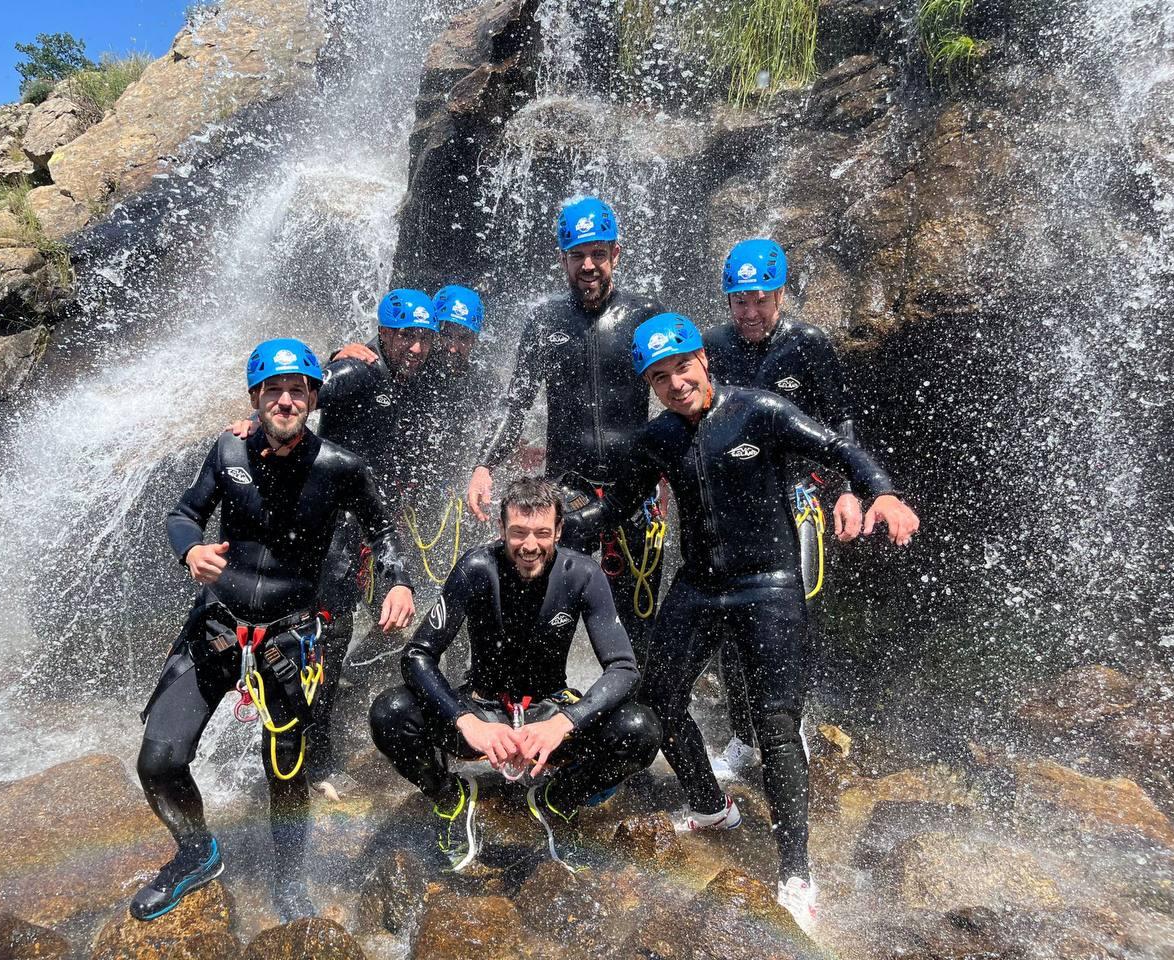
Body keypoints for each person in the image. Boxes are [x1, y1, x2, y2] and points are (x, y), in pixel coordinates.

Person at [588, 314, 918, 927]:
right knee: (657, 700)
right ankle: (711, 806)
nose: (675, 383)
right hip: (699, 585)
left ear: (703, 362)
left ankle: (795, 869)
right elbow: (615, 506)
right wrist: (549, 535)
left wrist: (882, 492)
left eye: (682, 368)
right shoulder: (658, 437)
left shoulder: (758, 411)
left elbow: (839, 446)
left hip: (768, 584)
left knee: (774, 720)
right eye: (659, 377)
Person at [134, 338, 415, 922]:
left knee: (285, 766)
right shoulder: (228, 452)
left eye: (296, 390)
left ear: (314, 397)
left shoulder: (340, 466)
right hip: (216, 626)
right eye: (273, 390)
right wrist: (190, 551)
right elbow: (184, 513)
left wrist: (398, 582)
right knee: (158, 761)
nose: (285, 401)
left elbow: (384, 533)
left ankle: (289, 880)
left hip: (288, 637)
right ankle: (196, 852)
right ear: (255, 396)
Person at [369, 476, 661, 873]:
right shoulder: (476, 568)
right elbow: (418, 655)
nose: (529, 546)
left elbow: (624, 668)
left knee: (642, 728)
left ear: (559, 530)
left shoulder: (583, 574)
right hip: (484, 710)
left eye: (542, 533)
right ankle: (451, 798)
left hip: (550, 713)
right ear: (502, 529)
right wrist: (468, 721)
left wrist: (564, 722)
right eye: (518, 532)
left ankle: (558, 799)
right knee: (390, 712)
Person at [228, 292, 441, 792]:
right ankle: (311, 756)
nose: (415, 348)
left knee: (379, 629)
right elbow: (299, 395)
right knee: (325, 638)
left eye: (423, 338)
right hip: (336, 535)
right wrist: (255, 425)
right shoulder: (363, 370)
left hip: (369, 526)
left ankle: (333, 710)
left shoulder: (407, 377)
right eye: (405, 336)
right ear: (384, 334)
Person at [466, 197, 665, 663]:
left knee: (636, 623)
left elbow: (683, 395)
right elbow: (515, 403)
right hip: (566, 493)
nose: (589, 265)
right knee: (540, 615)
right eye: (578, 255)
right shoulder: (545, 320)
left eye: (598, 253)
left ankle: (632, 717)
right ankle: (536, 711)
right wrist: (484, 464)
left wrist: (671, 464)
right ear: (563, 260)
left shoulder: (645, 315)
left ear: (616, 254)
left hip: (631, 490)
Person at [704, 238, 863, 777]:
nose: (749, 313)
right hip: (729, 499)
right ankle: (744, 736)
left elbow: (839, 423)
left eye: (760, 300)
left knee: (790, 618)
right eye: (739, 301)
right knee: (729, 621)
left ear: (780, 295)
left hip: (798, 495)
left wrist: (848, 490)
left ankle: (785, 728)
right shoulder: (712, 346)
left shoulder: (808, 344)